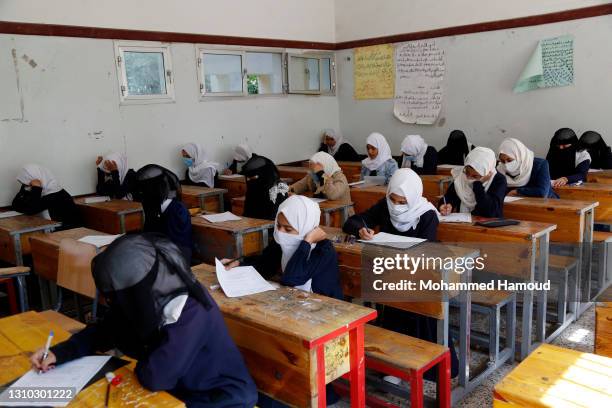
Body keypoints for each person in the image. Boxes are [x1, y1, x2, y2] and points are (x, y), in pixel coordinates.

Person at [31, 233, 258, 407]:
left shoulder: (191, 311)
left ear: (136, 291)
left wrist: (137, 353)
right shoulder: (149, 298)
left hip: (219, 396)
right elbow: (104, 331)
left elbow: (156, 377)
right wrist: (59, 353)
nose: (116, 303)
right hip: (177, 386)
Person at [225, 195, 342, 406]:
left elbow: (292, 277)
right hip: (295, 308)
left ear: (307, 227)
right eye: (278, 226)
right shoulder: (281, 243)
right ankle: (273, 383)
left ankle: (311, 390)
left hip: (325, 318)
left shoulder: (324, 250)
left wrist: (306, 242)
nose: (281, 233)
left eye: (289, 229)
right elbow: (263, 265)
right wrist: (237, 264)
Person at [342, 168, 458, 380]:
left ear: (413, 198)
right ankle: (395, 362)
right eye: (393, 199)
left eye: (402, 201)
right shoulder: (385, 206)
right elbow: (352, 221)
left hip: (418, 275)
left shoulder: (427, 215)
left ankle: (418, 361)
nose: (396, 205)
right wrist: (360, 230)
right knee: (392, 308)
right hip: (390, 271)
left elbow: (424, 251)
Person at [133, 164, 193, 261]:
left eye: (144, 192)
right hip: (156, 256)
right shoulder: (153, 207)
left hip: (175, 261)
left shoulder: (177, 210)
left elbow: (178, 246)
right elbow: (149, 233)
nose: (142, 196)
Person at [439, 147, 506, 218]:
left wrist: (478, 184)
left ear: (486, 172)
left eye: (475, 176)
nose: (468, 178)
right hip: (463, 223)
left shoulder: (499, 180)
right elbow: (449, 197)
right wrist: (445, 206)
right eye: (467, 173)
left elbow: (490, 211)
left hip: (488, 226)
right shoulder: (461, 177)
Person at [12, 164, 81, 229]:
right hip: (51, 229)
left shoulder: (54, 194)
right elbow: (15, 205)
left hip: (66, 231)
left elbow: (31, 210)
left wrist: (36, 188)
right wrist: (25, 188)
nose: (27, 187)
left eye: (27, 184)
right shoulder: (40, 191)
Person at [241, 154, 289, 220]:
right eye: (248, 178)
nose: (249, 180)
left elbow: (276, 218)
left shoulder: (278, 189)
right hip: (253, 225)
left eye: (253, 177)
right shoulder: (253, 187)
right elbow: (247, 213)